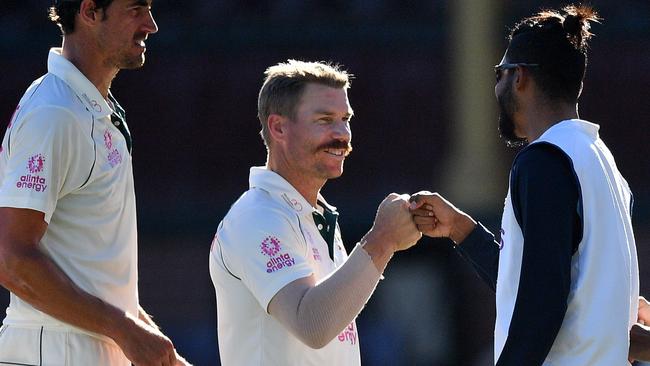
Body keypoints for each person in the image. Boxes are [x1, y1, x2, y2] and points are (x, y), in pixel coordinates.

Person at [410, 5, 639, 365]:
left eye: (498, 73)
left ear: (519, 77)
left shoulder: (545, 158)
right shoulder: (603, 163)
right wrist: (461, 229)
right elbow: (540, 281)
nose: (496, 85)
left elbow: (544, 299)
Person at [0, 1, 189, 365]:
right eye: (136, 9)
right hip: (52, 352)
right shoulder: (55, 113)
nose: (151, 25)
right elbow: (12, 260)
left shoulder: (93, 107)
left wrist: (146, 337)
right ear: (89, 12)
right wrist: (125, 330)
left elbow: (93, 273)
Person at [209, 59, 422, 365]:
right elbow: (310, 324)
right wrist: (383, 240)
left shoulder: (313, 215)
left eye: (345, 119)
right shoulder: (256, 216)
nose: (342, 134)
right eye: (324, 120)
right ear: (278, 127)